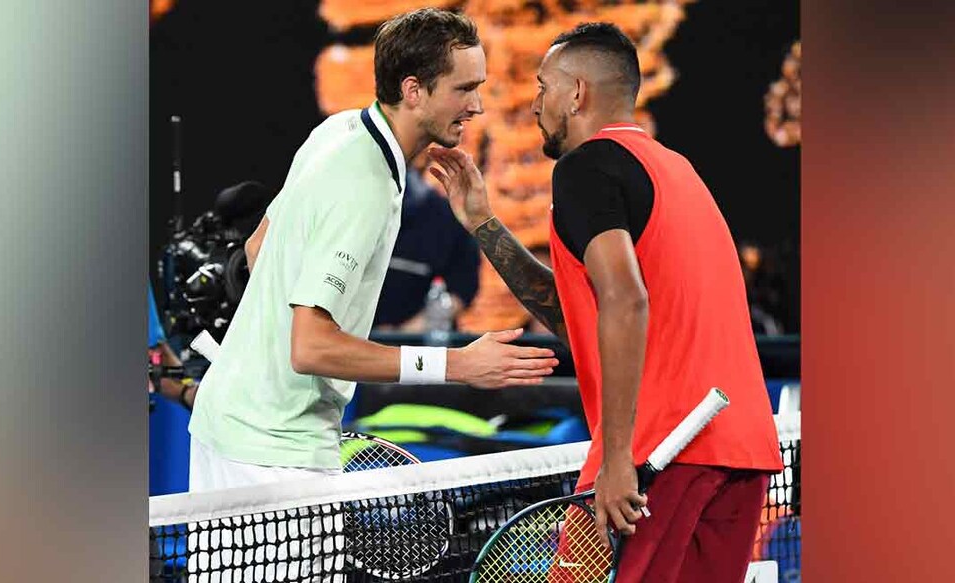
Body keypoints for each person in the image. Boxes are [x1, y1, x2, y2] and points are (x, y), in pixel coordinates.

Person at [428, 22, 784, 583]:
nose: (536, 102)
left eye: (544, 87)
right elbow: (587, 317)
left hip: (656, 453)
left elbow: (625, 298)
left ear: (577, 94)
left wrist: (617, 457)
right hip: (738, 451)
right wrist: (482, 223)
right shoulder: (677, 170)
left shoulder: (585, 167)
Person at [187, 7, 558, 493]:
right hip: (275, 458)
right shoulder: (365, 184)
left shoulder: (338, 131)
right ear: (413, 91)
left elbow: (259, 250)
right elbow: (311, 347)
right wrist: (456, 365)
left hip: (229, 429)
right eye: (464, 89)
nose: (478, 106)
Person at [372, 163, 481, 331]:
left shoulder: (443, 218)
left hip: (418, 340)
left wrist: (404, 333)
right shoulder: (347, 209)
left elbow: (462, 288)